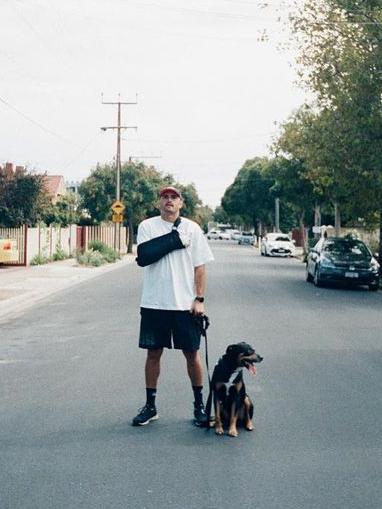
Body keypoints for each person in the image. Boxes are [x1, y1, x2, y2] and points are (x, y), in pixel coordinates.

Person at [132, 186, 214, 427]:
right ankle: (150, 406)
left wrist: (200, 299)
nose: (169, 201)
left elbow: (200, 266)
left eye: (173, 197)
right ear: (159, 202)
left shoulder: (193, 228)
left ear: (181, 203)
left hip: (184, 305)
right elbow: (144, 256)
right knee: (153, 353)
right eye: (165, 197)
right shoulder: (147, 226)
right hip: (154, 302)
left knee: (192, 354)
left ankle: (199, 405)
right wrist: (174, 241)